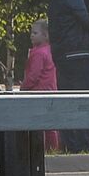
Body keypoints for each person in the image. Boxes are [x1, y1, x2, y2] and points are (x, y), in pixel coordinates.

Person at [48, 0, 89, 153]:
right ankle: (85, 144)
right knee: (86, 101)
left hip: (63, 56)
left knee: (68, 100)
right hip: (80, 54)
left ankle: (71, 144)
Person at [22, 17, 60, 152]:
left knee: (38, 124)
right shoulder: (50, 51)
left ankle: (40, 149)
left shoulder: (38, 53)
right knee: (50, 124)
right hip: (51, 91)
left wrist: (23, 88)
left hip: (38, 92)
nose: (31, 35)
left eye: (35, 33)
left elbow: (33, 76)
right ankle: (53, 149)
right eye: (31, 32)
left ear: (45, 35)